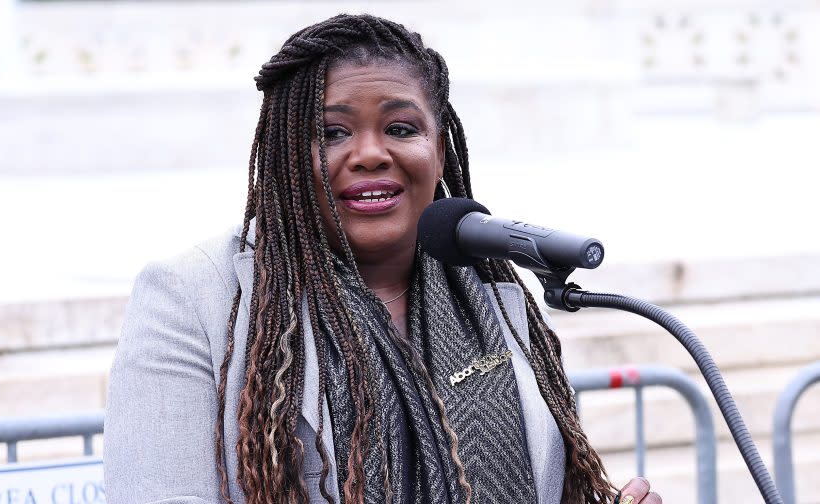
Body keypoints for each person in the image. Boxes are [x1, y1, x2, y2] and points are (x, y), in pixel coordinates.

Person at [104, 13, 662, 504]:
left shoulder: (496, 291)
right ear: (283, 153)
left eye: (401, 128)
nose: (371, 154)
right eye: (331, 132)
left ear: (439, 150)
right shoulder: (189, 298)